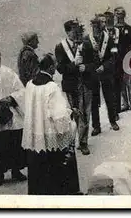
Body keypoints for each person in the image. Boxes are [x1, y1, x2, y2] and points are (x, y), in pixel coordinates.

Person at [22, 54, 80, 195]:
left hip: (36, 135)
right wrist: (71, 113)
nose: (55, 67)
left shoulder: (30, 84)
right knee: (58, 169)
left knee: (38, 171)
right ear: (50, 67)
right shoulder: (52, 87)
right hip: (50, 136)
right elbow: (59, 117)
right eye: (54, 65)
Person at [0, 47, 27, 187]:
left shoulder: (8, 72)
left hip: (10, 111)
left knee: (14, 141)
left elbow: (20, 89)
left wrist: (11, 98)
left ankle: (16, 170)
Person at [54, 20, 91, 155]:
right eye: (73, 31)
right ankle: (71, 142)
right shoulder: (60, 47)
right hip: (71, 85)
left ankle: (83, 142)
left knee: (85, 114)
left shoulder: (85, 45)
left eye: (78, 30)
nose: (76, 34)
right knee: (72, 115)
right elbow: (60, 68)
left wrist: (85, 67)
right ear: (67, 32)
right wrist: (74, 65)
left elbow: (93, 62)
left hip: (85, 84)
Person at [83, 16, 119, 135]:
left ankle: (113, 121)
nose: (96, 30)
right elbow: (85, 59)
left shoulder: (109, 39)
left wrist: (105, 66)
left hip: (106, 73)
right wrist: (93, 68)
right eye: (94, 27)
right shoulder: (86, 40)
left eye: (97, 27)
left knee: (110, 98)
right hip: (93, 75)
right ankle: (96, 126)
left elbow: (114, 55)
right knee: (94, 100)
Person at [114, 7, 131, 113]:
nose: (119, 16)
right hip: (117, 60)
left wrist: (129, 50)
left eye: (121, 14)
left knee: (130, 81)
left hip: (129, 59)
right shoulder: (112, 30)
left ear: (124, 15)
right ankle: (125, 103)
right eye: (117, 15)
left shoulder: (130, 29)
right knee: (121, 83)